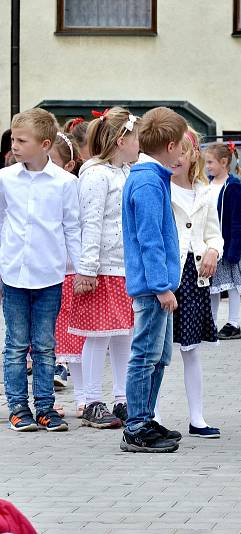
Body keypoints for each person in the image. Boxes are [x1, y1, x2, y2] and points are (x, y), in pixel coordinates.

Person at [1, 108, 80, 432]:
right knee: (17, 344)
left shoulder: (65, 183)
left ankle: (46, 407)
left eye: (22, 140)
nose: (15, 146)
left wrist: (81, 271)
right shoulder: (5, 179)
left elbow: (72, 227)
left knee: (46, 345)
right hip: (14, 274)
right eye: (13, 139)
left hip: (49, 274)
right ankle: (18, 407)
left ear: (45, 144)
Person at [67, 108, 140, 430]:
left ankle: (122, 398)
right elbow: (90, 223)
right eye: (136, 138)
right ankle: (92, 400)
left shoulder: (125, 172)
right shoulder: (96, 174)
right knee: (98, 336)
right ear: (121, 140)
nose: (140, 144)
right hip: (102, 268)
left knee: (124, 334)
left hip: (124, 266)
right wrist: (87, 269)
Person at [120, 106, 186, 453]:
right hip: (152, 288)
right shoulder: (147, 181)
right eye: (182, 148)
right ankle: (135, 425)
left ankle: (146, 416)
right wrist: (161, 286)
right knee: (145, 356)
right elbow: (149, 239)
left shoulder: (152, 177)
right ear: (171, 146)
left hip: (158, 286)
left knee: (159, 356)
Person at [167, 127, 224, 438]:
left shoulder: (204, 190)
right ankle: (153, 414)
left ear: (193, 156)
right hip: (168, 274)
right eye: (171, 151)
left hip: (195, 274)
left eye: (183, 152)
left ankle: (197, 417)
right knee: (158, 350)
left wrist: (214, 249)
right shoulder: (161, 187)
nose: (176, 157)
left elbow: (213, 232)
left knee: (191, 349)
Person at [50, 131, 82, 400]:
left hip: (70, 269)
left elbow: (75, 228)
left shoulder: (71, 185)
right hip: (47, 270)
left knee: (72, 328)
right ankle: (53, 367)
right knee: (48, 329)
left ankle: (66, 371)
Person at [206, 143, 241, 340]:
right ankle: (211, 322)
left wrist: (234, 249)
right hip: (210, 246)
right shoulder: (207, 184)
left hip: (228, 245)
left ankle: (234, 323)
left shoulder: (233, 187)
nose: (207, 166)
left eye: (210, 162)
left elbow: (236, 221)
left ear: (224, 162)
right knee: (212, 286)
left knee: (231, 286)